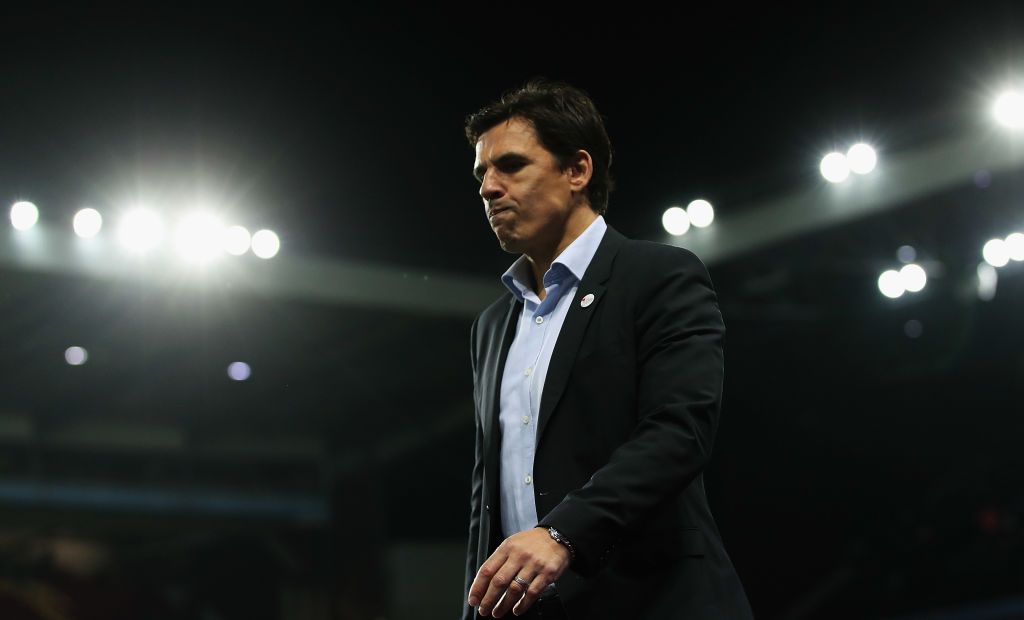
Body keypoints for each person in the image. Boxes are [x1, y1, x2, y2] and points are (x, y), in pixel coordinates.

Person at [462, 80, 753, 620]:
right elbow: (489, 498)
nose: (488, 187)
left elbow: (678, 431)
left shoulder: (659, 275)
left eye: (511, 166)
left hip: (652, 600)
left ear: (578, 170)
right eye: (482, 173)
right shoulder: (491, 325)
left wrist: (562, 534)